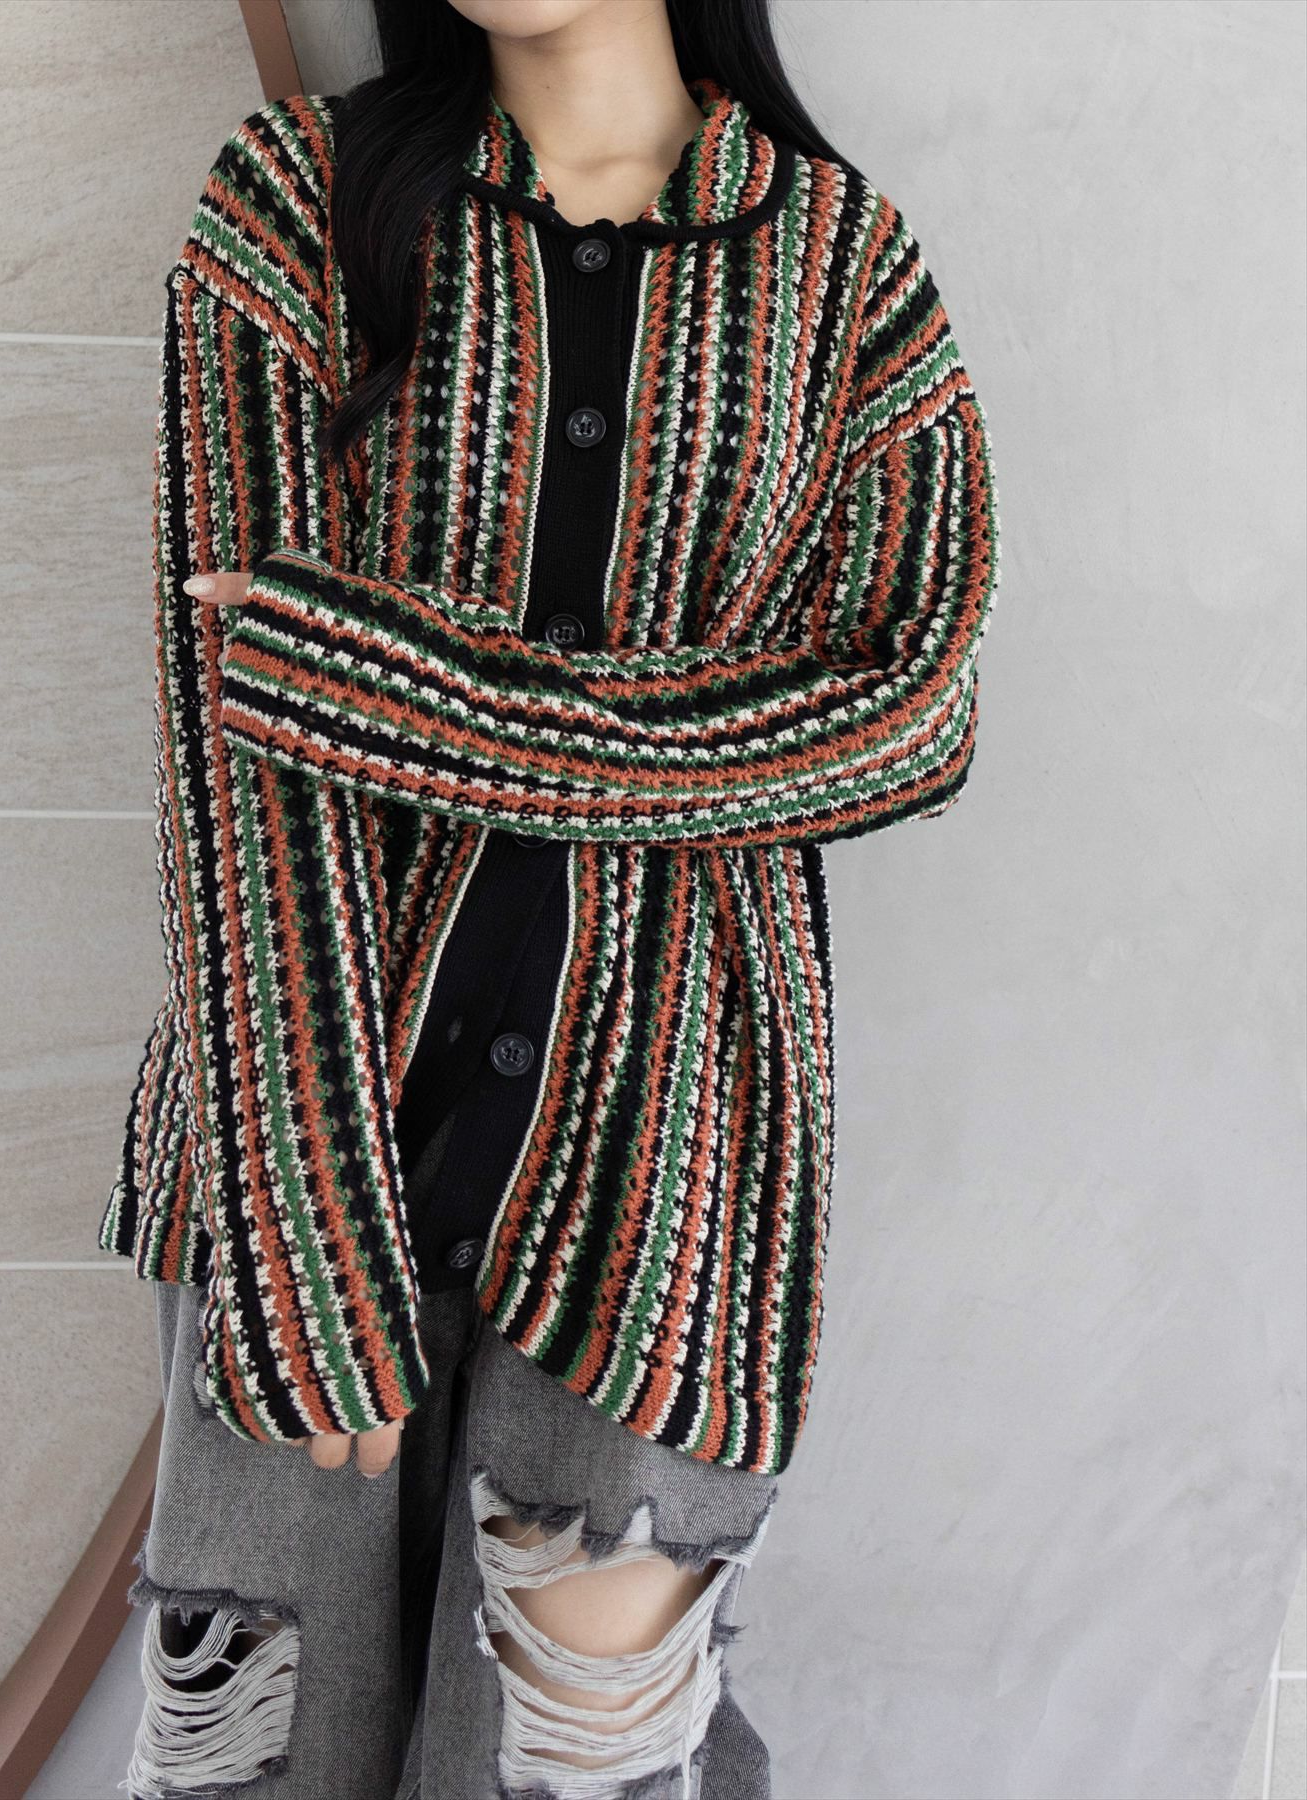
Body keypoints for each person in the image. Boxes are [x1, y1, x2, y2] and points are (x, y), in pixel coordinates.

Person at [98, 2, 1002, 1795]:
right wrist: (304, 1233)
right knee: (256, 1764)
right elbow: (232, 756)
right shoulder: (300, 199)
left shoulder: (843, 264)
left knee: (564, 1771)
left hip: (666, 1187)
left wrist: (410, 689)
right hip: (301, 1143)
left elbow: (910, 723)